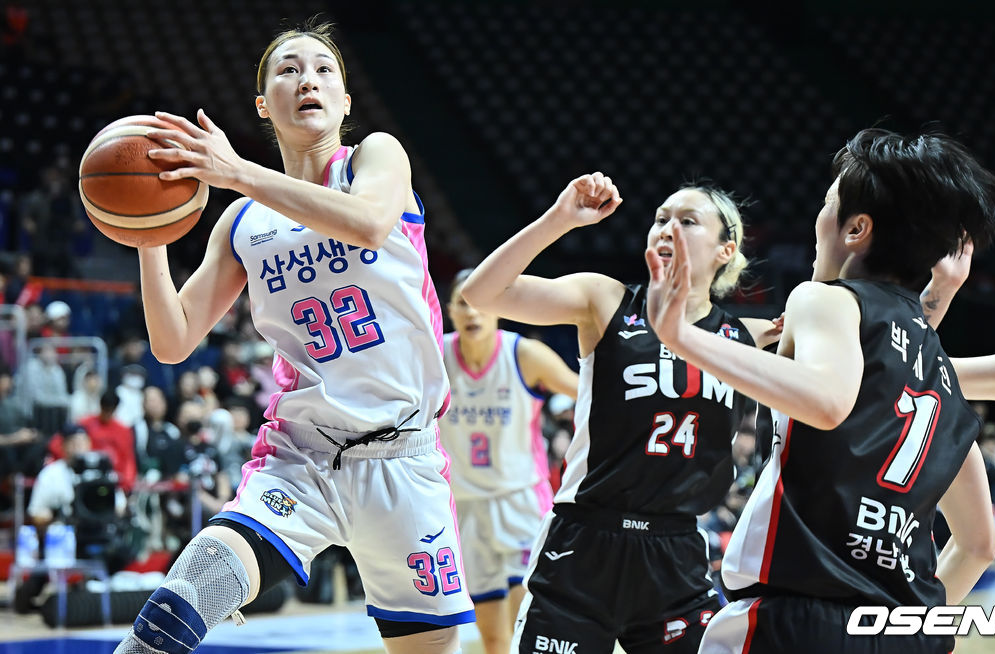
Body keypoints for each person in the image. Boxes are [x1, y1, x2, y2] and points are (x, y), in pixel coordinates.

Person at [114, 18, 473, 654]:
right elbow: (173, 341)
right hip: (299, 458)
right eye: (289, 69)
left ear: (345, 101)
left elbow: (368, 223)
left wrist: (238, 171)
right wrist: (149, 233)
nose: (308, 79)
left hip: (404, 459)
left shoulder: (374, 157)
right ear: (264, 104)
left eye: (323, 69)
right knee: (178, 604)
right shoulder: (242, 220)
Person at [642, 128, 995, 654]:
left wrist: (680, 335)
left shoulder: (826, 298)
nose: (819, 218)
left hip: (795, 622)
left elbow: (828, 400)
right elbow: (977, 547)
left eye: (827, 204)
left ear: (856, 229)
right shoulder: (939, 375)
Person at [462, 172, 785, 653]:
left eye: (688, 221)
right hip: (585, 541)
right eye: (660, 219)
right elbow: (482, 294)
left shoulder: (746, 336)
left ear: (725, 249)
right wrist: (559, 219)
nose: (667, 228)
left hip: (675, 550)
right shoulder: (606, 300)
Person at [441, 268, 579, 654]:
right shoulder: (436, 356)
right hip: (465, 506)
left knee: (527, 622)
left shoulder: (524, 354)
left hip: (521, 500)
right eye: (462, 304)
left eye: (479, 303)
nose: (472, 313)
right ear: (449, 310)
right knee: (492, 638)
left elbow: (586, 392)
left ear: (497, 307)